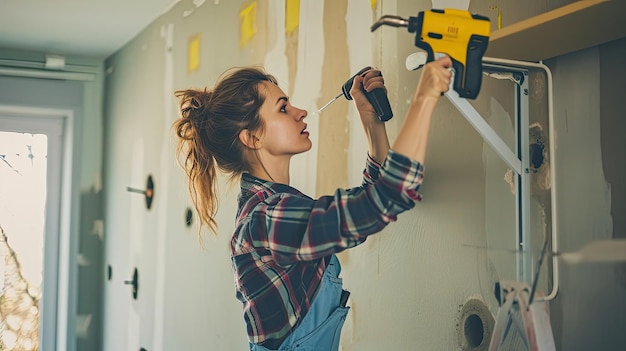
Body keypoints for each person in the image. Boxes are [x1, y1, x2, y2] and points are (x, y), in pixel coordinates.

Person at [173, 56, 452, 350]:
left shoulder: (279, 205)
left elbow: (367, 208)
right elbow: (382, 200)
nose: (301, 112)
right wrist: (424, 97)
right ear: (252, 137)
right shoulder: (266, 218)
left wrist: (371, 121)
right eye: (283, 108)